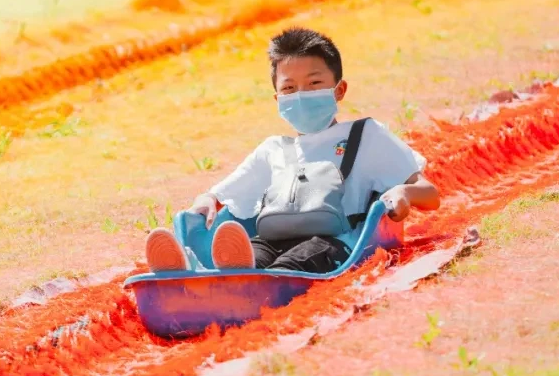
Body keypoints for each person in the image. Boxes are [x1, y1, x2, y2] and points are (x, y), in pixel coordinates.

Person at [144, 28, 440, 273]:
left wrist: (404, 193)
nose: (301, 96)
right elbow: (220, 195)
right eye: (289, 89)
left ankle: (254, 280)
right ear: (277, 98)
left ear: (338, 90)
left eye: (314, 84)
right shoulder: (273, 150)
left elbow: (429, 193)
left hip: (334, 241)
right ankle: (201, 269)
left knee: (294, 263)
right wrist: (205, 201)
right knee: (251, 254)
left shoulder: (365, 136)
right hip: (273, 238)